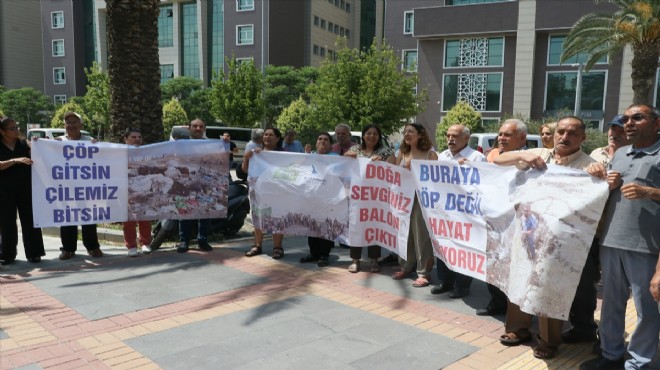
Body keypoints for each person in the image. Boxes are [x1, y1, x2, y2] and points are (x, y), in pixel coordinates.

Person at [494, 116, 595, 360]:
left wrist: (599, 174)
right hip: (528, 232)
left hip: (561, 241)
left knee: (549, 286)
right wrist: (522, 156)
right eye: (560, 131)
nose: (564, 137)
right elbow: (498, 158)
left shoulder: (589, 164)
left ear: (583, 138)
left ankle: (549, 340)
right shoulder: (539, 154)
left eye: (572, 133)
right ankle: (518, 329)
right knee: (520, 279)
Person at [581, 104, 660, 370]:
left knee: (646, 309)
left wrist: (650, 192)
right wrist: (603, 180)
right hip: (611, 240)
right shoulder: (621, 153)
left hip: (647, 245)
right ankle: (611, 354)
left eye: (638, 118)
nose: (629, 123)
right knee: (611, 304)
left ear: (656, 124)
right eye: (626, 119)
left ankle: (638, 362)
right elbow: (606, 191)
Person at [562, 114, 632, 346]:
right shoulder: (595, 156)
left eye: (620, 131)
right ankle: (585, 329)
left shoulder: (634, 157)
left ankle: (611, 342)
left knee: (615, 290)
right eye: (612, 130)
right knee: (583, 283)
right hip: (590, 230)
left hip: (622, 234)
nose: (615, 135)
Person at [478, 119, 529, 316]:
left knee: (514, 266)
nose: (501, 138)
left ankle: (517, 310)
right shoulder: (493, 156)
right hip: (493, 220)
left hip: (516, 222)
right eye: (500, 134)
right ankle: (496, 301)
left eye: (507, 135)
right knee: (493, 262)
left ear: (522, 137)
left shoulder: (531, 158)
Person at [432, 124, 486, 298]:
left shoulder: (477, 157)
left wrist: (472, 168)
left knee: (463, 249)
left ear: (466, 138)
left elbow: (483, 183)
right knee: (444, 245)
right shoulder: (442, 156)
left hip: (465, 213)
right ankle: (445, 281)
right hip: (444, 211)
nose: (450, 139)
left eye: (454, 136)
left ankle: (462, 286)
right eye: (448, 135)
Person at [343, 124, 394, 273]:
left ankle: (374, 259)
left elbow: (393, 165)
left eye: (375, 134)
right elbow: (342, 167)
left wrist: (384, 163)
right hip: (357, 197)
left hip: (376, 197)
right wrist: (346, 157)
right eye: (368, 133)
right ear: (363, 136)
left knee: (374, 227)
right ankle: (355, 259)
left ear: (379, 137)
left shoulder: (385, 151)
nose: (371, 136)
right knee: (356, 226)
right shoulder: (354, 150)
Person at [391, 123, 437, 287]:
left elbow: (435, 179)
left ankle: (424, 272)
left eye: (411, 131)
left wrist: (417, 171)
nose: (407, 134)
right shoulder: (403, 153)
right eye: (405, 132)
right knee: (404, 231)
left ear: (420, 134)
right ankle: (405, 266)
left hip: (421, 199)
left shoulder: (430, 155)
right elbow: (396, 174)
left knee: (421, 234)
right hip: (404, 198)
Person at [57, 112, 103, 260]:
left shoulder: (90, 142)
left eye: (74, 122)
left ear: (81, 125)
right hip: (66, 187)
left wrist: (98, 146)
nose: (71, 125)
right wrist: (39, 143)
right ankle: (68, 249)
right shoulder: (57, 142)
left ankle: (93, 247)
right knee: (67, 218)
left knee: (88, 217)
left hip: (86, 187)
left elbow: (102, 157)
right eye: (68, 122)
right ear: (64, 125)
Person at [0, 117, 45, 264]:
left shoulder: (24, 144)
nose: (16, 130)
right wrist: (15, 160)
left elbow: (41, 155)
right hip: (5, 190)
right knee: (7, 222)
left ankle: (34, 253)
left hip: (26, 188)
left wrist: (38, 144)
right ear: (2, 131)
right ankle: (7, 254)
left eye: (17, 127)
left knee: (30, 219)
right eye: (12, 128)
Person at [243, 127, 286, 259]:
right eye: (265, 135)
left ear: (278, 138)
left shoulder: (284, 154)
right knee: (258, 217)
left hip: (277, 192)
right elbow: (244, 170)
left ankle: (278, 247)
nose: (267, 137)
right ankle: (257, 245)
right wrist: (246, 158)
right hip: (258, 192)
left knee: (277, 219)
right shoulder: (256, 153)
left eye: (271, 135)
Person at [299, 132, 338, 267]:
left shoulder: (336, 158)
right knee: (311, 226)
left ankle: (324, 255)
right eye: (320, 139)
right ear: (316, 142)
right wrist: (306, 157)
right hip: (312, 197)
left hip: (328, 198)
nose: (322, 141)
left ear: (331, 144)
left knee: (325, 227)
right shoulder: (310, 155)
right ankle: (313, 253)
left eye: (326, 140)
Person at [176, 119, 214, 253]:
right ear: (189, 128)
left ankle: (202, 241)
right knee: (184, 211)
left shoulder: (212, 145)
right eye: (195, 126)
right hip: (185, 183)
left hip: (204, 182)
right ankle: (184, 241)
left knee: (204, 212)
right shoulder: (180, 144)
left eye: (200, 126)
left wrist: (225, 143)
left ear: (204, 129)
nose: (198, 128)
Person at [123, 128, 152, 257]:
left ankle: (145, 243)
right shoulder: (118, 152)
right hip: (125, 189)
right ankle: (131, 246)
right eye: (133, 137)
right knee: (129, 219)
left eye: (139, 137)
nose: (137, 139)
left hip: (142, 187)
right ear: (126, 139)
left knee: (144, 217)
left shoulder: (146, 153)